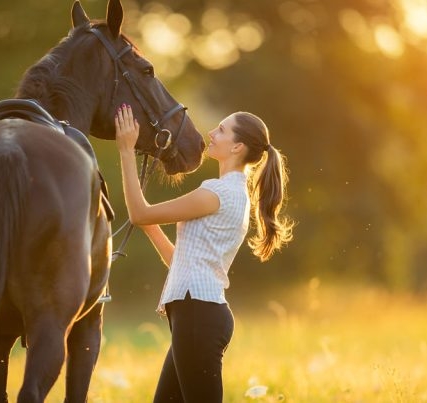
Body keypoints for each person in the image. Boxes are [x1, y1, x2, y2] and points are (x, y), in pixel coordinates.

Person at [114, 104, 293, 402]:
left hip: (198, 316)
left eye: (221, 130)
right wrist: (149, 225)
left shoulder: (216, 193)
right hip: (197, 314)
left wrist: (125, 150)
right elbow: (179, 260)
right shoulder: (233, 194)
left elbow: (138, 212)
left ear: (237, 146)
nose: (211, 133)